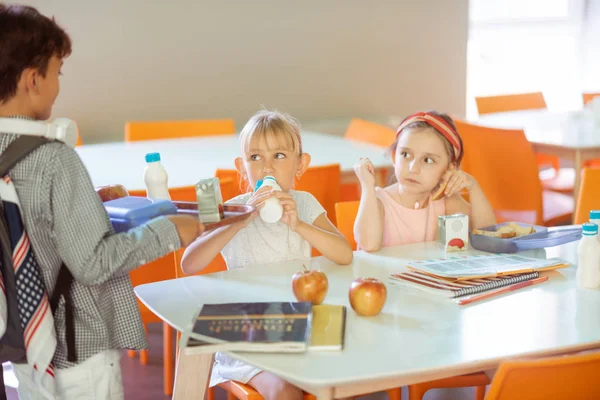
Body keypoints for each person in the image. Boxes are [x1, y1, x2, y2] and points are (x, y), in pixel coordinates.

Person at [0, 4, 205, 399]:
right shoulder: (53, 158)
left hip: (26, 343)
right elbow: (93, 263)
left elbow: (25, 221)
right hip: (78, 352)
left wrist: (86, 203)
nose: (59, 86)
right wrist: (167, 231)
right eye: (56, 73)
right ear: (32, 80)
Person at [181, 109, 353, 400]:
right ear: (242, 166)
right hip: (247, 326)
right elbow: (189, 263)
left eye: (280, 156)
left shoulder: (305, 204)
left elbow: (344, 254)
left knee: (343, 372)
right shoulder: (233, 209)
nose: (267, 168)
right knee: (285, 390)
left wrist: (298, 225)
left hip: (297, 320)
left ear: (301, 164)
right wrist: (241, 220)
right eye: (256, 157)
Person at [354, 110, 496, 251]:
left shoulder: (446, 202)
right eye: (405, 154)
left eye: (428, 160)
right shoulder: (378, 201)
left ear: (450, 168)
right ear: (393, 157)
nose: (413, 168)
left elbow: (488, 234)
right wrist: (368, 187)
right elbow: (369, 245)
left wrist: (474, 187)